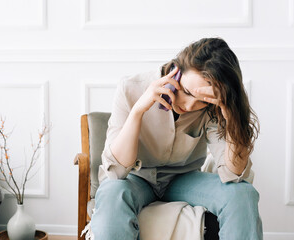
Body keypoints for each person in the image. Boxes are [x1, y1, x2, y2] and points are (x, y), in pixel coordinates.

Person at [90, 37, 263, 240]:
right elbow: (117, 171)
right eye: (187, 92)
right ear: (176, 70)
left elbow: (234, 173)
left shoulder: (213, 108)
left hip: (183, 178)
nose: (190, 105)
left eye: (201, 101)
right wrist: (138, 111)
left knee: (242, 194)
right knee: (112, 193)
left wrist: (230, 115)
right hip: (137, 178)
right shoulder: (130, 88)